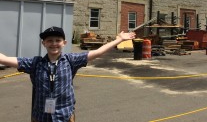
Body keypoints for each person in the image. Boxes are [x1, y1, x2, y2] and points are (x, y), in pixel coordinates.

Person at [0, 26, 136, 122]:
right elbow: (5, 59)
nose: (54, 44)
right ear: (44, 43)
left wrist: (119, 40)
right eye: (49, 41)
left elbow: (98, 52)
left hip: (65, 117)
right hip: (41, 117)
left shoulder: (71, 60)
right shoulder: (34, 63)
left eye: (57, 40)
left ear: (64, 43)